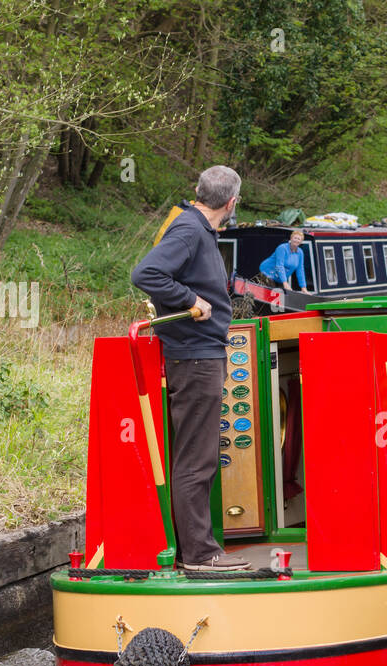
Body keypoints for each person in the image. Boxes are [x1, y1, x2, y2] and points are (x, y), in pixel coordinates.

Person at [130, 165, 251, 572]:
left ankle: (195, 550)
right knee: (195, 459)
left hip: (201, 354)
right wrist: (190, 301)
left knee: (197, 456)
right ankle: (200, 555)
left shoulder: (198, 229)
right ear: (231, 202)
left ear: (200, 192)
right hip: (195, 357)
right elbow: (145, 273)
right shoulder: (189, 230)